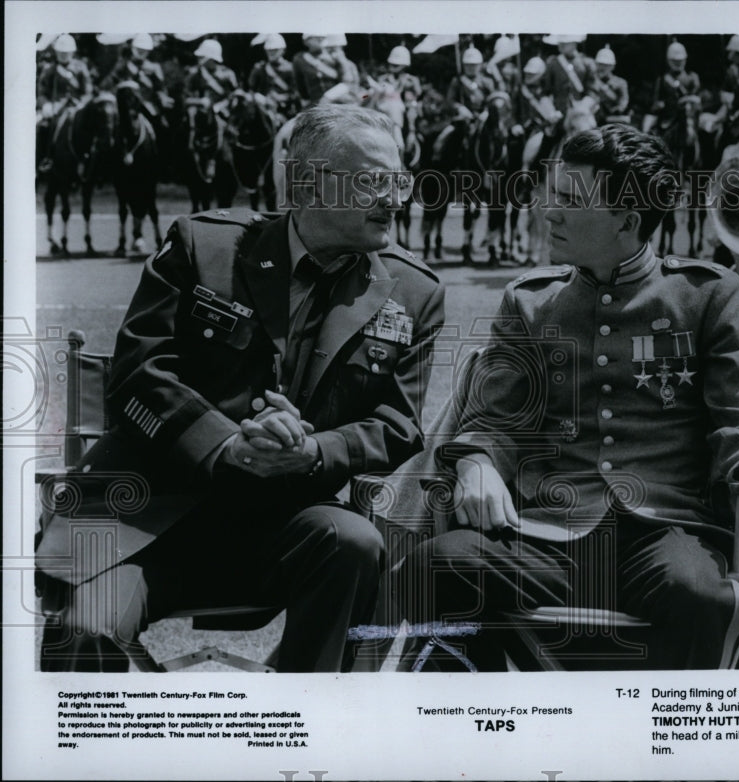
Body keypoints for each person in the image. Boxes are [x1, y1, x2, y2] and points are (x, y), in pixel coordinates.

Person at [36, 104, 447, 672]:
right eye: (375, 181)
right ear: (307, 185)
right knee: (85, 632)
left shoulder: (414, 292)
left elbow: (397, 425)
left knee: (353, 542)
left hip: (279, 530)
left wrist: (311, 452)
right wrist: (226, 444)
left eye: (400, 180)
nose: (396, 199)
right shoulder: (202, 247)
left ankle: (306, 728)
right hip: (149, 522)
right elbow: (137, 375)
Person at [395, 123, 739, 671]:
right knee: (439, 565)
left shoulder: (707, 295)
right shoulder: (531, 301)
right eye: (552, 194)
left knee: (705, 598)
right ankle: (481, 738)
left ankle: (666, 748)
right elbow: (498, 418)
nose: (549, 210)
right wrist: (477, 461)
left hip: (665, 533)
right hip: (543, 534)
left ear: (626, 221)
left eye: (568, 198)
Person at [36, 33, 93, 173]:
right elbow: (42, 92)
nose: (64, 55)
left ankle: (89, 159)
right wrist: (46, 105)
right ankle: (45, 158)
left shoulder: (80, 68)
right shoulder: (50, 70)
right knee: (42, 128)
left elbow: (88, 91)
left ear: (73, 52)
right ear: (56, 52)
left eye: (67, 52)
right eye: (61, 52)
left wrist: (82, 104)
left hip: (77, 107)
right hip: (57, 108)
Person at [99, 34, 173, 127]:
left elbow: (160, 87)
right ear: (133, 49)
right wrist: (103, 90)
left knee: (159, 125)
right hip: (124, 103)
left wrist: (163, 97)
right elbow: (111, 80)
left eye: (144, 51)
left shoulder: (153, 68)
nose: (141, 53)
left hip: (146, 103)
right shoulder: (123, 65)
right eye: (139, 50)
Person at [248, 33, 298, 121]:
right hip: (264, 110)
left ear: (283, 50)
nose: (271, 53)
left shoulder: (291, 68)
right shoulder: (260, 68)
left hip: (286, 111)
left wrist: (280, 97)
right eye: (269, 50)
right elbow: (251, 90)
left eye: (275, 50)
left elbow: (297, 93)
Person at [541, 35, 597, 114]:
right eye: (560, 42)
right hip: (559, 114)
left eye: (565, 43)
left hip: (582, 113)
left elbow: (593, 91)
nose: (561, 45)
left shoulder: (587, 63)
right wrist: (550, 111)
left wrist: (584, 107)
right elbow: (545, 92)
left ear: (574, 44)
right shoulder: (552, 64)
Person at [182, 38, 239, 115]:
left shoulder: (227, 73)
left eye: (202, 56)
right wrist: (200, 101)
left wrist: (222, 105)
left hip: (224, 115)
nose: (198, 59)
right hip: (203, 114)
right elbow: (184, 99)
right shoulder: (195, 75)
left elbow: (236, 94)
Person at [293, 33, 342, 107]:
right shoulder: (300, 59)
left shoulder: (335, 55)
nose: (319, 39)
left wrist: (328, 97)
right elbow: (301, 86)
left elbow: (347, 82)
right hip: (316, 105)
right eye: (314, 37)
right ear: (305, 42)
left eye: (322, 37)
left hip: (339, 102)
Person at [591, 45, 629, 124]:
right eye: (600, 64)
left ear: (613, 67)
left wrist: (617, 108)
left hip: (610, 120)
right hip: (591, 119)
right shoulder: (590, 80)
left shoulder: (620, 82)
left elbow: (623, 101)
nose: (602, 68)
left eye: (606, 65)